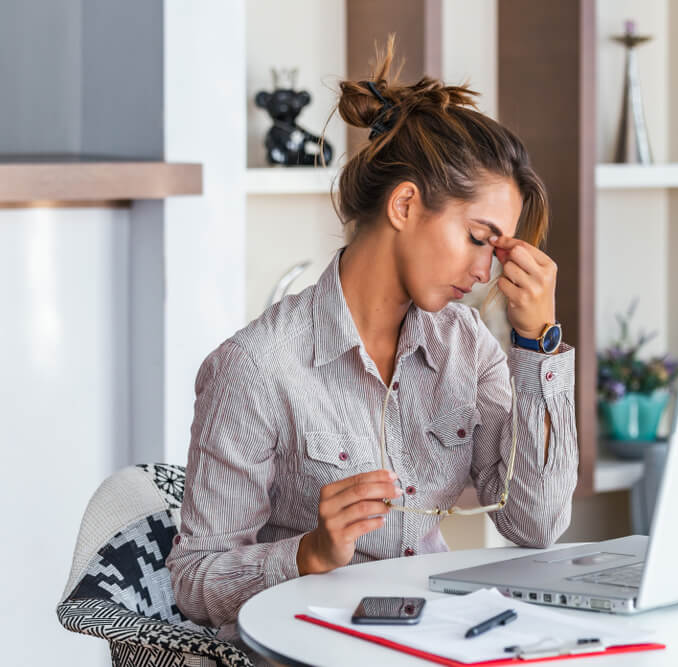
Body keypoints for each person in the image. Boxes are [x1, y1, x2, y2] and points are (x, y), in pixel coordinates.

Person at [165, 36, 579, 649]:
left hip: (433, 642)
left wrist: (538, 345)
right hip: (306, 654)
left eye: (498, 249)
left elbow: (536, 524)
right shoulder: (258, 366)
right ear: (406, 203)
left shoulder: (468, 347)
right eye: (477, 237)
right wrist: (308, 552)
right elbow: (194, 580)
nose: (487, 273)